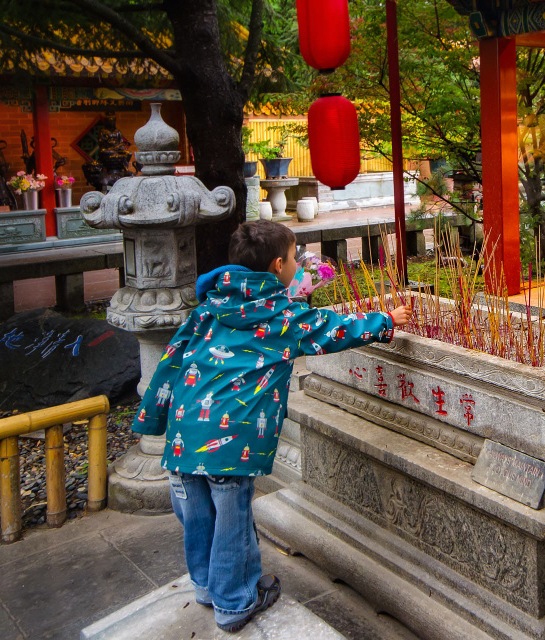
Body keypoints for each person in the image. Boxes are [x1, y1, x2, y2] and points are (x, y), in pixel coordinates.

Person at [133, 220, 410, 632]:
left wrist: (153, 416)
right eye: (295, 258)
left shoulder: (209, 307)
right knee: (234, 523)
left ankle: (209, 588)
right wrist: (386, 320)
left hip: (184, 436)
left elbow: (172, 359)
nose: (298, 265)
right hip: (231, 441)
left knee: (198, 518)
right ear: (279, 265)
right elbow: (332, 331)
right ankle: (236, 601)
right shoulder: (280, 314)